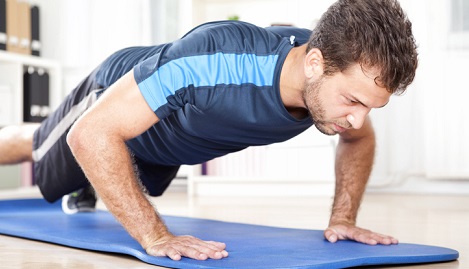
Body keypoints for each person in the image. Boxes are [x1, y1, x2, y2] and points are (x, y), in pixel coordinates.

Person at [0, 0, 418, 262]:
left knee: (122, 161)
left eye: (369, 106)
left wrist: (343, 218)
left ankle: (92, 181)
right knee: (38, 148)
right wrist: (155, 236)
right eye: (354, 102)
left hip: (165, 140)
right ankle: (80, 172)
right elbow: (89, 134)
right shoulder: (212, 61)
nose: (359, 120)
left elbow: (358, 138)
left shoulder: (330, 75)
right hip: (109, 102)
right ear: (314, 64)